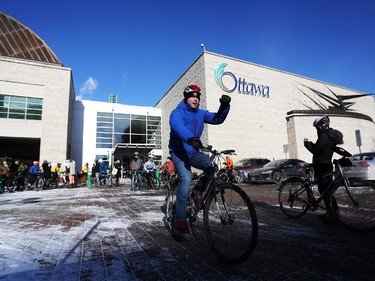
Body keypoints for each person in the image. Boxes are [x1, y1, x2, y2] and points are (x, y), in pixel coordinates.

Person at [169, 84, 231, 239]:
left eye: (197, 97)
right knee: (186, 178)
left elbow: (217, 119)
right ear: (185, 98)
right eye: (192, 96)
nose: (195, 99)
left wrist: (224, 106)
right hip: (179, 152)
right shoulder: (177, 112)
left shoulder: (201, 114)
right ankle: (180, 221)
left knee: (212, 167)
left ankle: (197, 193)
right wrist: (190, 138)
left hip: (194, 151)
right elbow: (177, 126)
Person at [304, 115, 343, 223]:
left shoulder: (324, 137)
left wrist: (307, 143)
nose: (317, 129)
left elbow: (316, 150)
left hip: (321, 167)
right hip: (326, 166)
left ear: (321, 126)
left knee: (326, 192)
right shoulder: (330, 137)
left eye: (317, 127)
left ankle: (333, 215)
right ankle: (331, 213)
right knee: (327, 191)